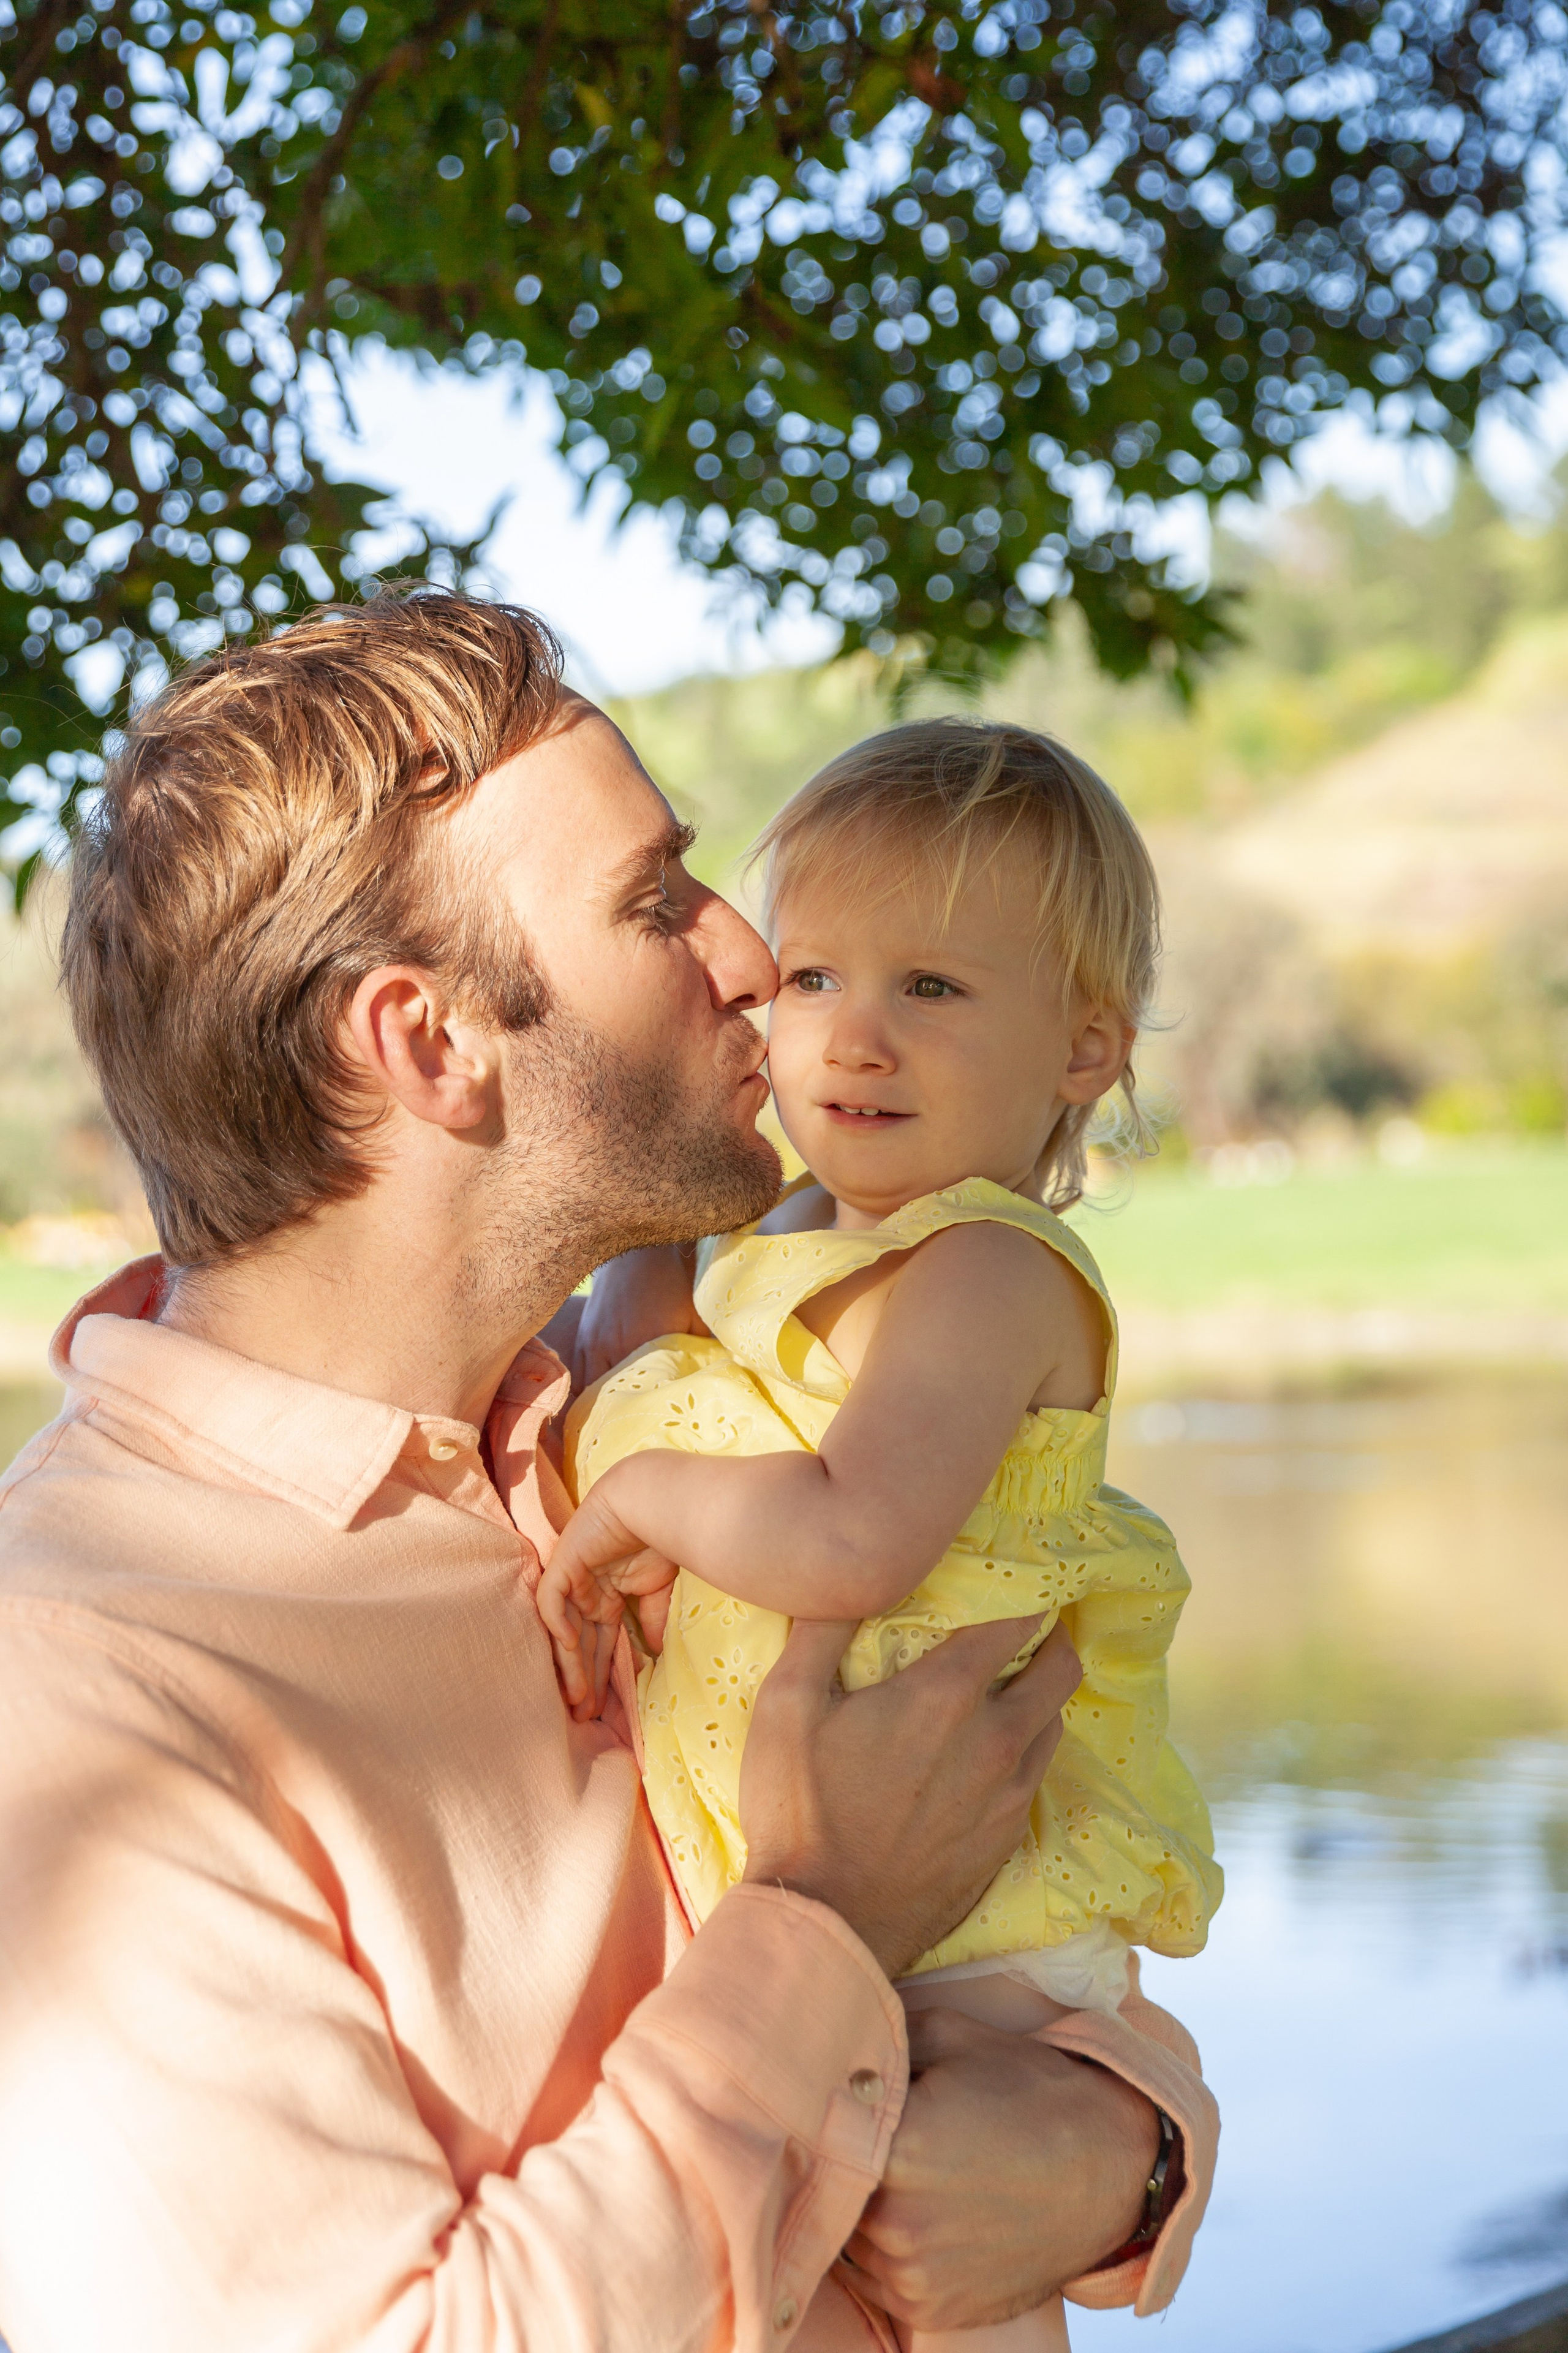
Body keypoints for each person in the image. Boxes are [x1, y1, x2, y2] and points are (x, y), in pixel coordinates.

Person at [0, 589, 1216, 2353]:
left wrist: (1124, 2143)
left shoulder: (667, 1408)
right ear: (430, 1043)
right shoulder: (77, 1693)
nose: (750, 956)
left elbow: (1015, 1887)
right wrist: (815, 1923)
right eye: (656, 901)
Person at [540, 720, 1223, 2353]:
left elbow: (853, 1539)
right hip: (825, 1905)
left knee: (948, 2276)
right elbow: (659, 1346)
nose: (854, 1036)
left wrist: (640, 1496)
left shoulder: (985, 1272)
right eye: (818, 976)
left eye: (933, 988)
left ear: (1082, 1047)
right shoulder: (781, 1232)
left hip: (976, 1937)